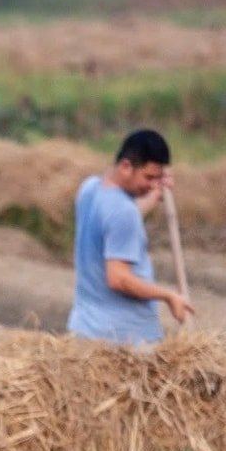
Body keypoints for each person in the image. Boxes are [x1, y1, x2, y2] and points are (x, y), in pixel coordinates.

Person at [68, 128, 193, 344]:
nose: (154, 183)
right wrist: (169, 296)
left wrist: (154, 195)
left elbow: (120, 221)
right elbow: (118, 279)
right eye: (149, 177)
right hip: (124, 341)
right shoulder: (122, 212)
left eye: (158, 178)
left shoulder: (89, 189)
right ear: (126, 166)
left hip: (85, 330)